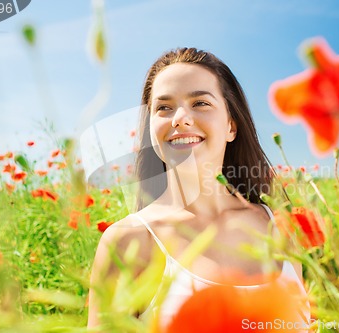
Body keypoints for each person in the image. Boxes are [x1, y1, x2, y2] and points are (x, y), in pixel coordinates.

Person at [87, 47, 308, 331]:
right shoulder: (130, 240)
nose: (180, 117)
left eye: (200, 103)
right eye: (163, 108)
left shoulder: (282, 230)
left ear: (231, 126)